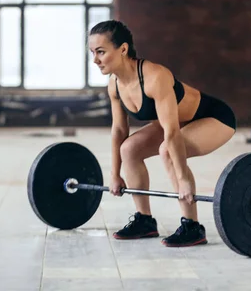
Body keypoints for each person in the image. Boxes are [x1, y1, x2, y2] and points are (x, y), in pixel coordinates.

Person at [88, 20, 237, 247]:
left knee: (167, 150)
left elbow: (171, 131)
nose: (95, 60)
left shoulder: (155, 77)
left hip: (214, 118)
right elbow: (119, 130)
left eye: (101, 52)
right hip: (179, 122)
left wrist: (184, 178)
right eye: (92, 52)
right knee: (129, 148)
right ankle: (145, 221)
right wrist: (115, 173)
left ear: (123, 49)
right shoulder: (114, 85)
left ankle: (192, 226)